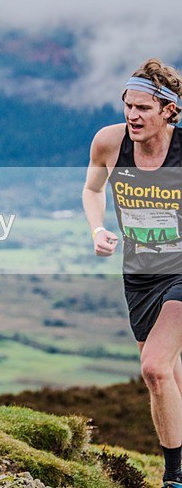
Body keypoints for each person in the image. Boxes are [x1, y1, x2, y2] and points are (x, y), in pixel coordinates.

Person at [83, 58, 182, 487]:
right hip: (140, 273)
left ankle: (174, 476)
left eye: (144, 108)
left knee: (155, 368)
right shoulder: (109, 142)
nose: (133, 115)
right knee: (172, 375)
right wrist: (98, 229)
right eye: (128, 105)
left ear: (168, 111)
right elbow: (92, 189)